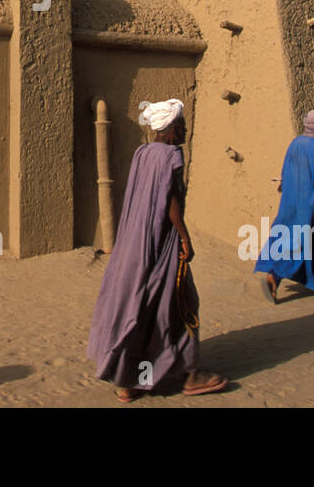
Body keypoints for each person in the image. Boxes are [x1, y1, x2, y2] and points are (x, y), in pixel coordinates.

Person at [87, 98, 227, 402]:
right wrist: (185, 237)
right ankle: (190, 375)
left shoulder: (143, 152)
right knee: (180, 302)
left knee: (142, 305)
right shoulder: (171, 156)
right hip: (163, 241)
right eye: (183, 125)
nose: (187, 129)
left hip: (136, 241)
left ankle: (128, 380)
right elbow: (170, 201)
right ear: (172, 129)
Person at [254, 109, 314, 304]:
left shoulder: (295, 143)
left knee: (293, 241)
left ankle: (275, 276)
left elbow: (285, 171)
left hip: (292, 203)